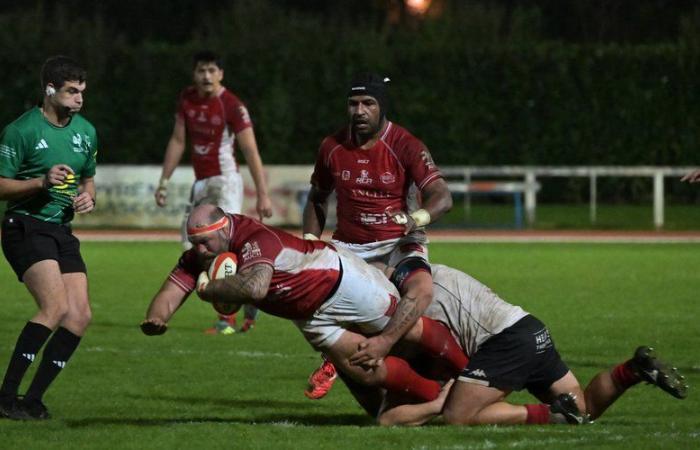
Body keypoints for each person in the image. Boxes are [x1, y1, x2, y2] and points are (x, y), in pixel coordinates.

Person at [140, 205, 466, 402]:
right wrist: (156, 319)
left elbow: (255, 287)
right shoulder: (204, 252)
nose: (200, 251)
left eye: (204, 242)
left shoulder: (255, 237)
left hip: (340, 282)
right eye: (194, 243)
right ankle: (437, 399)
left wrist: (209, 290)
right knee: (366, 370)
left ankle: (470, 373)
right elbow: (173, 287)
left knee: (408, 332)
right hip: (308, 314)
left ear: (224, 228)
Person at [343, 264, 688, 426]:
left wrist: (440, 401)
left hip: (504, 340)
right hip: (529, 328)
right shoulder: (421, 271)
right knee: (584, 409)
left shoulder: (405, 295)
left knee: (456, 415)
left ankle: (551, 416)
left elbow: (390, 415)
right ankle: (632, 370)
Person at [302, 72, 454, 398]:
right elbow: (316, 197)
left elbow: (442, 196)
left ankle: (384, 349)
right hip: (349, 246)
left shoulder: (405, 145)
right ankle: (336, 359)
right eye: (353, 104)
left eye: (368, 103)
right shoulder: (332, 147)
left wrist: (416, 219)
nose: (359, 111)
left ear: (381, 107)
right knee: (311, 299)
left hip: (398, 243)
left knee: (421, 290)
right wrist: (311, 246)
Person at [0, 56, 97, 420]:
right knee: (54, 308)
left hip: (61, 230)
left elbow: (88, 177)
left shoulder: (86, 131)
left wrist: (89, 195)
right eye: (72, 91)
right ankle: (6, 395)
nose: (79, 99)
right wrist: (40, 181)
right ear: (50, 90)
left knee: (79, 316)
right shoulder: (21, 130)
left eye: (82, 92)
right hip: (24, 225)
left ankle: (32, 399)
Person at [154, 50, 273, 335]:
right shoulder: (187, 99)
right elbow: (178, 140)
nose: (206, 76)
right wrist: (164, 181)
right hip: (201, 183)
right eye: (201, 71)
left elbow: (250, 150)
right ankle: (247, 302)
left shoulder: (231, 105)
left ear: (221, 74)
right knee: (192, 247)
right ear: (194, 74)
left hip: (225, 181)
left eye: (211, 70)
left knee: (220, 247)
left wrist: (263, 193)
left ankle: (227, 318)